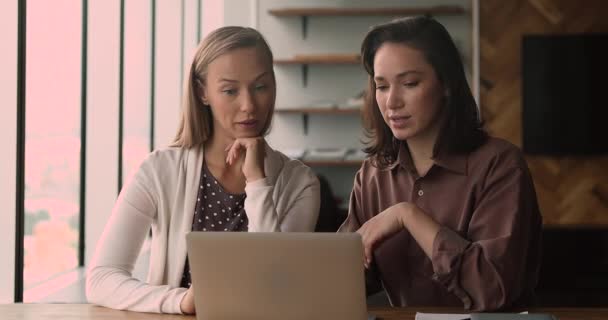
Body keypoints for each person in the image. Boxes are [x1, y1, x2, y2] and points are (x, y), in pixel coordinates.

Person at [86, 26, 320, 314]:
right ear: (202, 92)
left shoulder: (301, 183)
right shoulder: (159, 170)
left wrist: (257, 181)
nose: (249, 105)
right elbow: (101, 278)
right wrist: (180, 301)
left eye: (260, 86)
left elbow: (277, 284)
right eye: (230, 90)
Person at [339, 16, 542, 311]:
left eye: (409, 83)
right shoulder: (373, 174)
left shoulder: (500, 165)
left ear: (446, 84)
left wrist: (407, 215)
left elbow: (491, 289)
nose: (392, 102)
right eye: (381, 86)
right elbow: (346, 279)